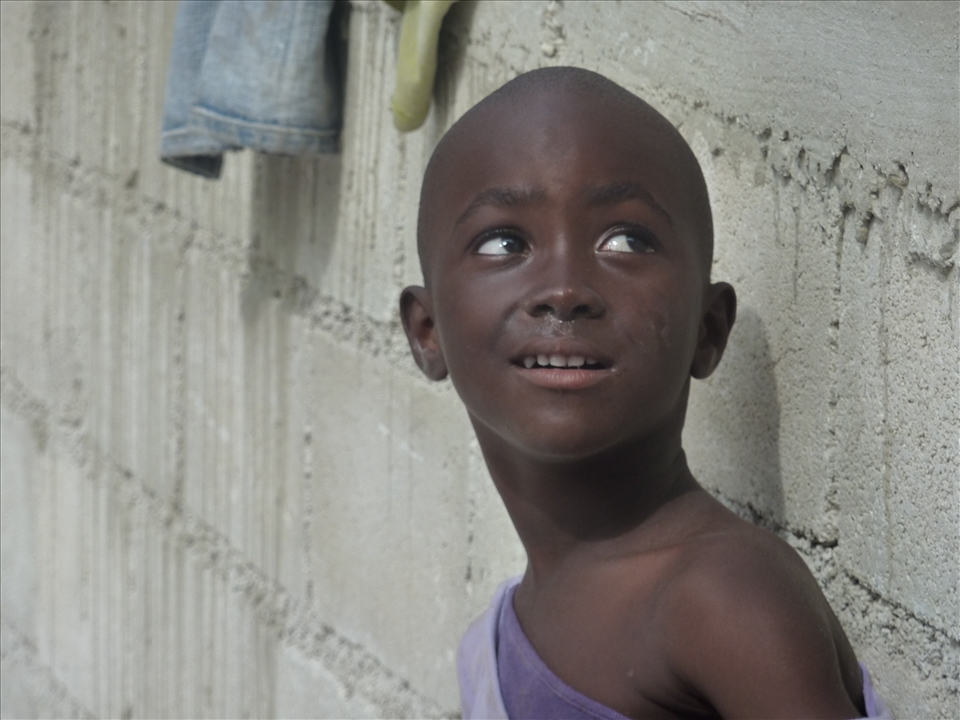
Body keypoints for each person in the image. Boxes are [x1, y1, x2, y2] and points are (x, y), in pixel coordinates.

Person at [400, 67, 889, 720]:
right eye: (504, 242)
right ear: (427, 332)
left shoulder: (721, 599)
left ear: (707, 330)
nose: (565, 288)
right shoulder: (514, 623)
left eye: (626, 240)